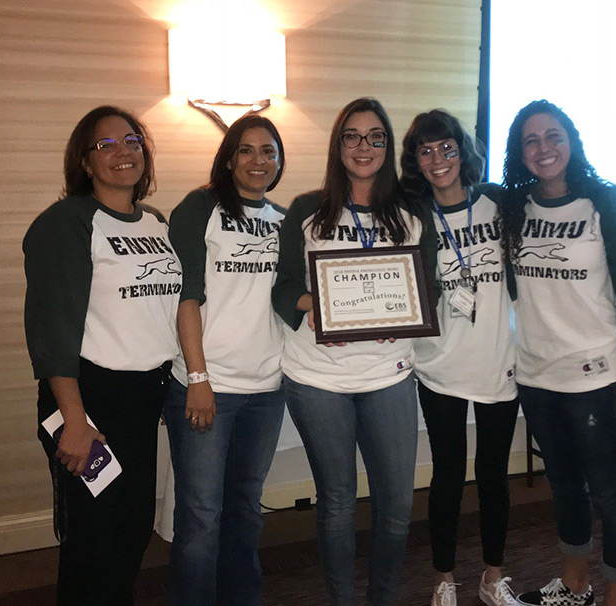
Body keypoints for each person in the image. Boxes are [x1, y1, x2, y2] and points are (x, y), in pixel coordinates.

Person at [272, 97, 436, 606]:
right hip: (317, 377)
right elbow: (282, 288)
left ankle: (382, 597)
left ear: (388, 147)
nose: (363, 147)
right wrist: (313, 305)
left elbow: (426, 288)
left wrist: (404, 314)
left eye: (375, 137)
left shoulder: (411, 214)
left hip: (388, 374)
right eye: (352, 136)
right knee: (338, 503)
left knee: (396, 506)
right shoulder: (306, 209)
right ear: (338, 145)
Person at [23, 106, 180, 605]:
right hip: (87, 402)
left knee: (132, 527)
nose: (122, 152)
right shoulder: (67, 222)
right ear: (85, 162)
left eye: (131, 140)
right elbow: (51, 327)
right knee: (92, 537)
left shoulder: (155, 223)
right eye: (105, 144)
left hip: (140, 400)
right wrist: (74, 420)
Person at [499, 100, 616, 606]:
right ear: (519, 153)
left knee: (610, 493)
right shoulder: (513, 209)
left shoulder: (608, 204)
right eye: (531, 140)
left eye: (554, 136)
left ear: (572, 141)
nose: (544, 149)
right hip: (538, 375)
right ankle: (574, 583)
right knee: (564, 484)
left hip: (597, 376)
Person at [163, 114, 287, 606]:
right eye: (248, 150)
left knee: (245, 509)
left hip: (266, 390)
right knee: (200, 515)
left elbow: (290, 298)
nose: (259, 161)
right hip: (205, 387)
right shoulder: (201, 207)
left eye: (269, 151)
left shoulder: (282, 221)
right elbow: (184, 296)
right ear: (230, 157)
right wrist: (198, 377)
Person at [400, 110, 520, 606]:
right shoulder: (412, 217)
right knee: (447, 474)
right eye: (426, 151)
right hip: (439, 365)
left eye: (447, 147)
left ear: (462, 151)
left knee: (494, 473)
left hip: (498, 360)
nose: (439, 158)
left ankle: (493, 578)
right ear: (416, 162)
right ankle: (444, 579)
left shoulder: (499, 204)